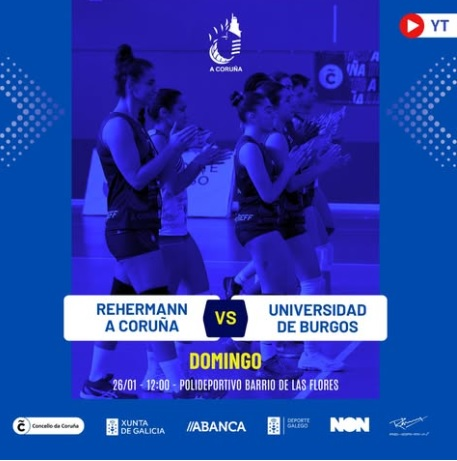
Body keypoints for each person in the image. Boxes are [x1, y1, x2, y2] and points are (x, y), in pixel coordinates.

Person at [80, 44, 200, 399]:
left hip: (139, 224)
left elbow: (160, 179)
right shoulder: (118, 126)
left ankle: (95, 381)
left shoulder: (135, 125)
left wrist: (187, 156)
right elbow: (135, 178)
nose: (153, 88)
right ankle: (180, 386)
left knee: (119, 308)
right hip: (129, 227)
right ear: (131, 85)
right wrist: (172, 148)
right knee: (157, 308)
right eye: (149, 83)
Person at [140, 88, 230, 395]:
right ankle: (155, 372)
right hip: (164, 236)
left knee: (198, 298)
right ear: (164, 112)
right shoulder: (158, 141)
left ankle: (177, 370)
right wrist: (200, 161)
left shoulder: (170, 141)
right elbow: (172, 187)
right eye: (181, 109)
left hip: (180, 232)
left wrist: (197, 154)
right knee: (164, 311)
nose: (186, 114)